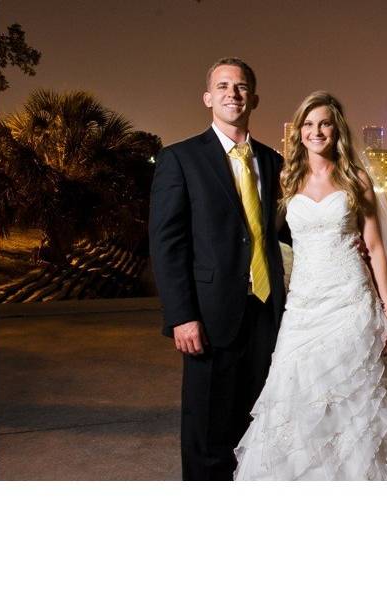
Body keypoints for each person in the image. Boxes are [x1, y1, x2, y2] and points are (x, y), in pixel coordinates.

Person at [234, 91, 387, 480]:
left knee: (354, 406)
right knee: (292, 399)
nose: (316, 131)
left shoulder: (355, 179)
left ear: (336, 129)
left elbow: (374, 247)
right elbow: (265, 232)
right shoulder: (285, 177)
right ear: (299, 131)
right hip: (303, 308)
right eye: (308, 124)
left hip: (351, 303)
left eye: (324, 123)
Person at [149, 58, 287, 480]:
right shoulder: (180, 159)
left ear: (255, 98)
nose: (233, 93)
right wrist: (181, 316)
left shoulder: (273, 161)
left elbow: (285, 232)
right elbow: (167, 243)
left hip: (268, 313)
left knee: (258, 426)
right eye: (223, 86)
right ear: (208, 97)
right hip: (208, 316)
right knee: (207, 432)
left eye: (241, 86)